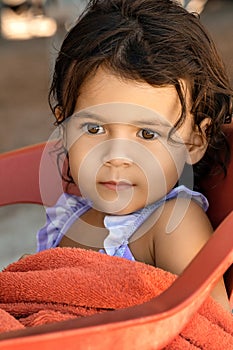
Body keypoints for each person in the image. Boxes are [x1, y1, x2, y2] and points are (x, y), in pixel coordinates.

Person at [37, 0, 233, 311]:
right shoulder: (70, 214)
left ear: (194, 142)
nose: (116, 157)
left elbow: (211, 329)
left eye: (146, 134)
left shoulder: (172, 225)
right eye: (93, 129)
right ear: (63, 128)